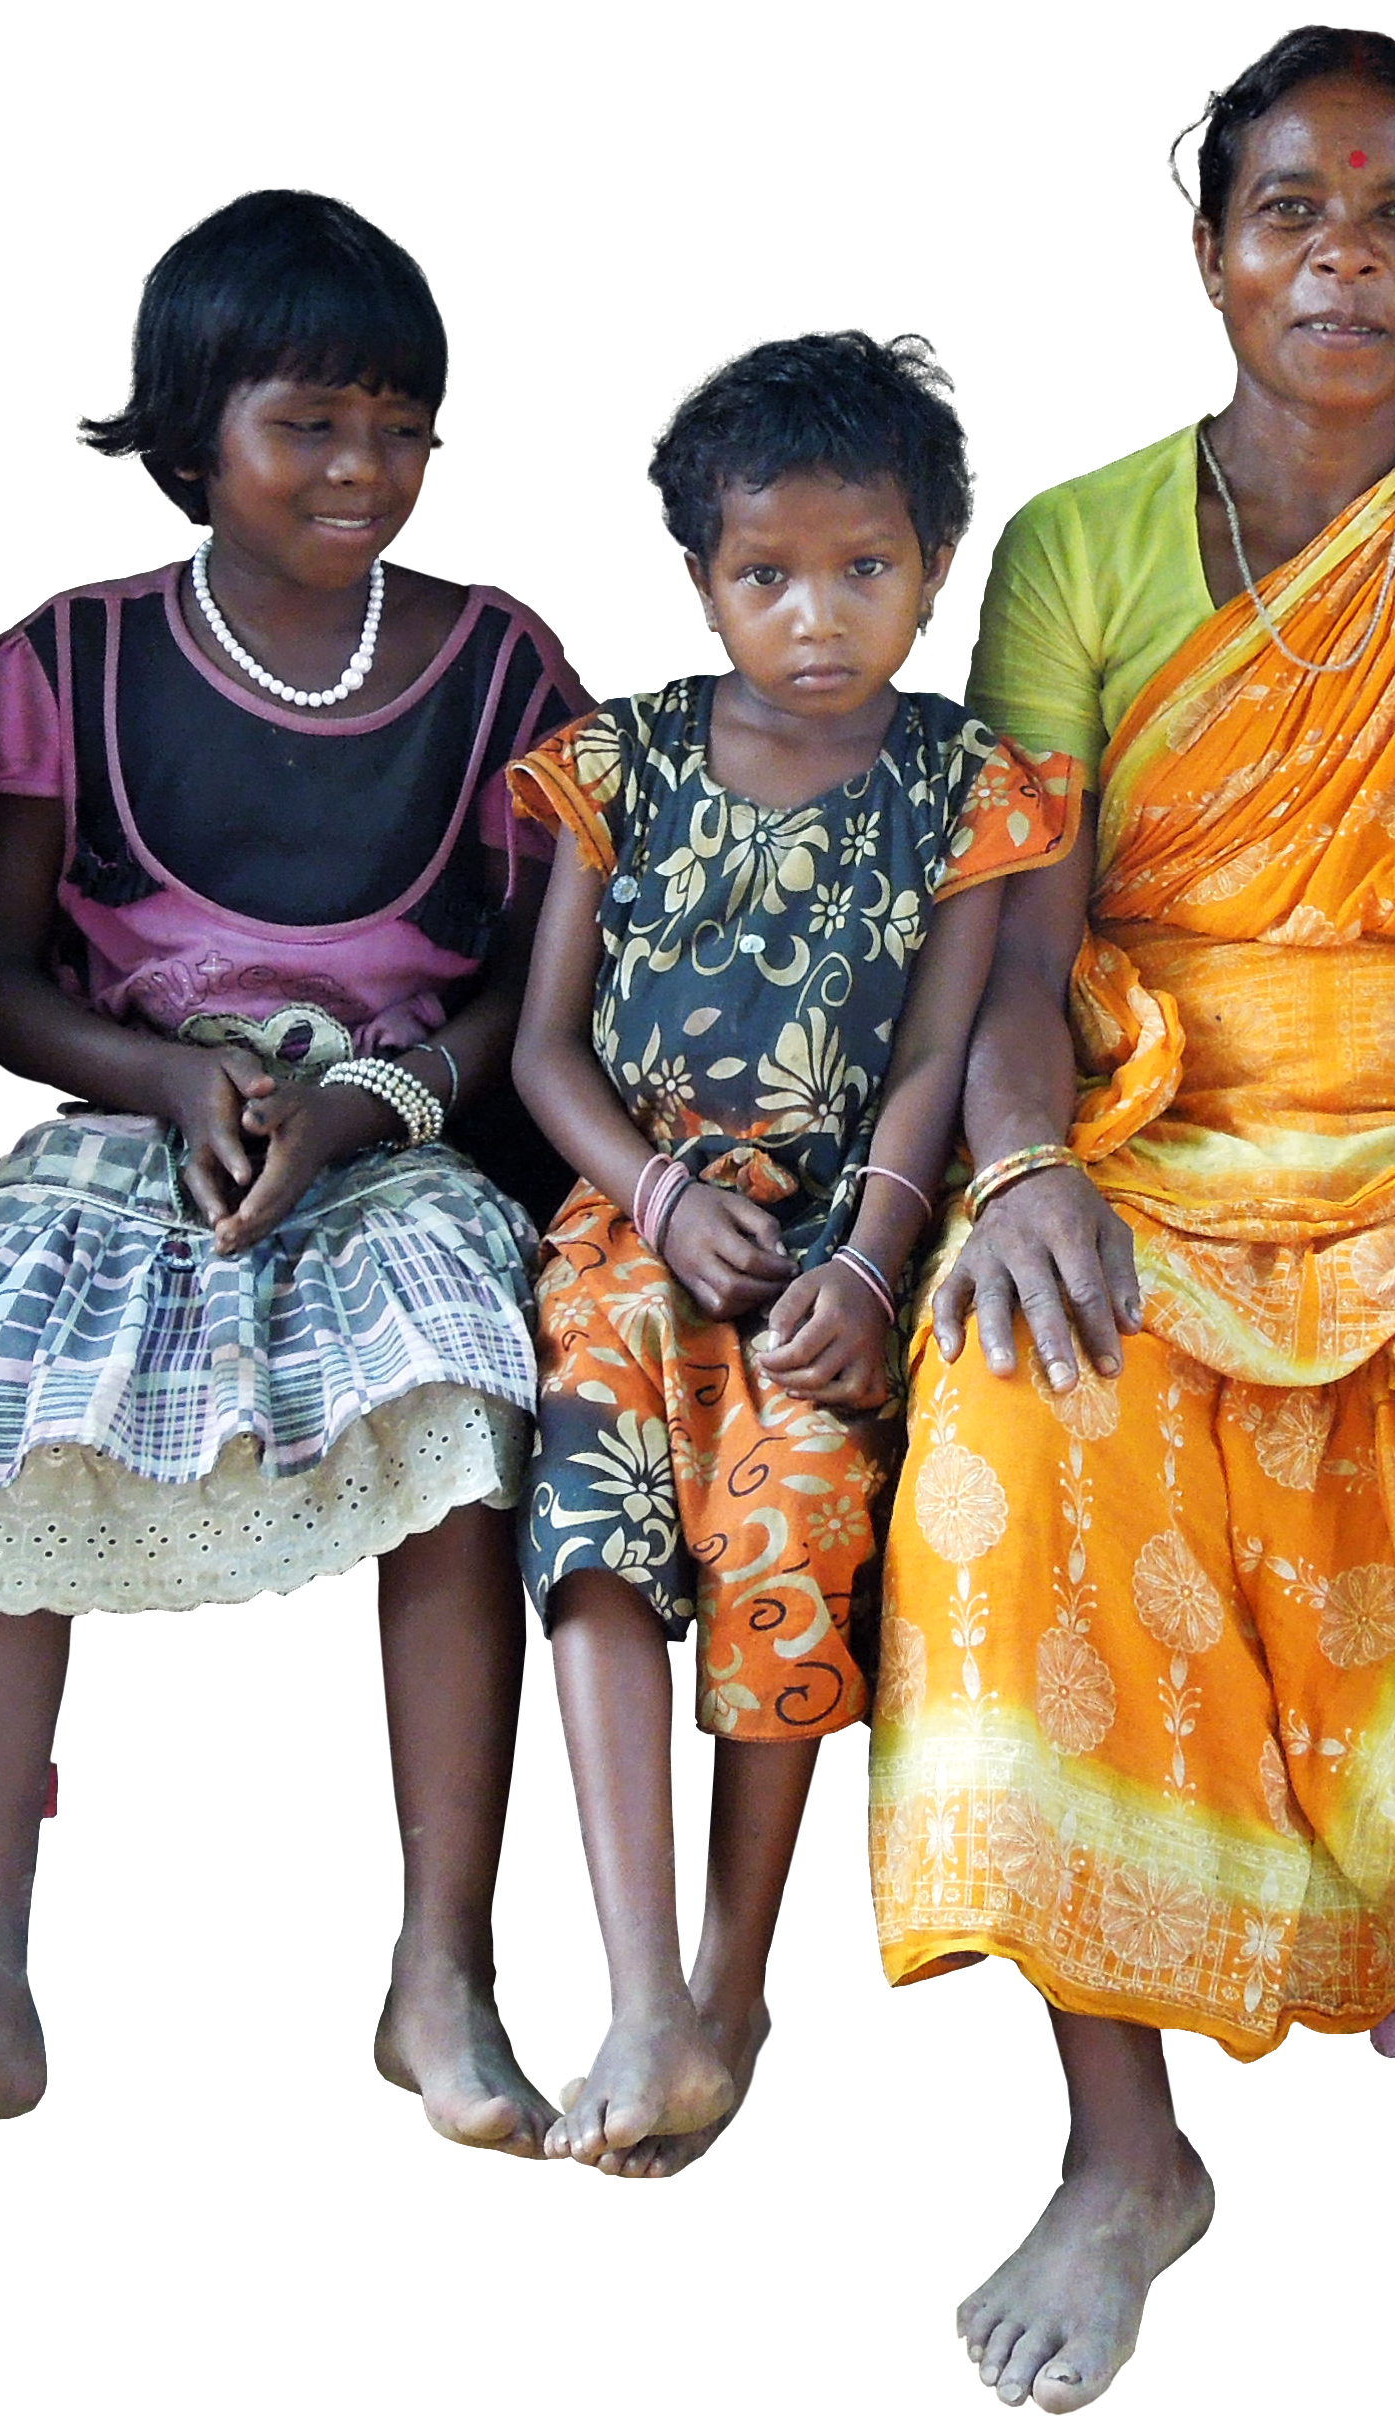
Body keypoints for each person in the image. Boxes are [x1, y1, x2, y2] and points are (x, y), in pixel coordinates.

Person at [873, 32, 1395, 2413]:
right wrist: (1025, 1164)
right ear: (1211, 259)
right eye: (1289, 210)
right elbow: (1019, 949)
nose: (1341, 254)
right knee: (1010, 1409)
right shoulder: (1087, 538)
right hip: (1155, 1133)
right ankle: (1130, 2144)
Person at [0, 192, 575, 2143]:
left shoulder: (503, 686)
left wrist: (357, 1112)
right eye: (310, 423)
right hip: (117, 1116)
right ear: (193, 428)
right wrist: (161, 1076)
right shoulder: (80, 657)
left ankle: (438, 1978)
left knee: (467, 1388)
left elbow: (530, 1011)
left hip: (385, 1132)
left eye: (398, 424)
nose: (364, 469)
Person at [505, 336, 1068, 2166]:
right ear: (701, 587)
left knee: (798, 1507)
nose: (814, 617)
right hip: (632, 1217)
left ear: (941, 575)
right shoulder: (627, 753)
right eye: (764, 577)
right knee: (594, 1504)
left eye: (863, 571)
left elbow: (934, 1057)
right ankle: (635, 1990)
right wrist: (658, 1202)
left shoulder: (971, 787)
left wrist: (876, 1262)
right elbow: (541, 1048)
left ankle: (727, 2000)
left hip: (837, 1240)